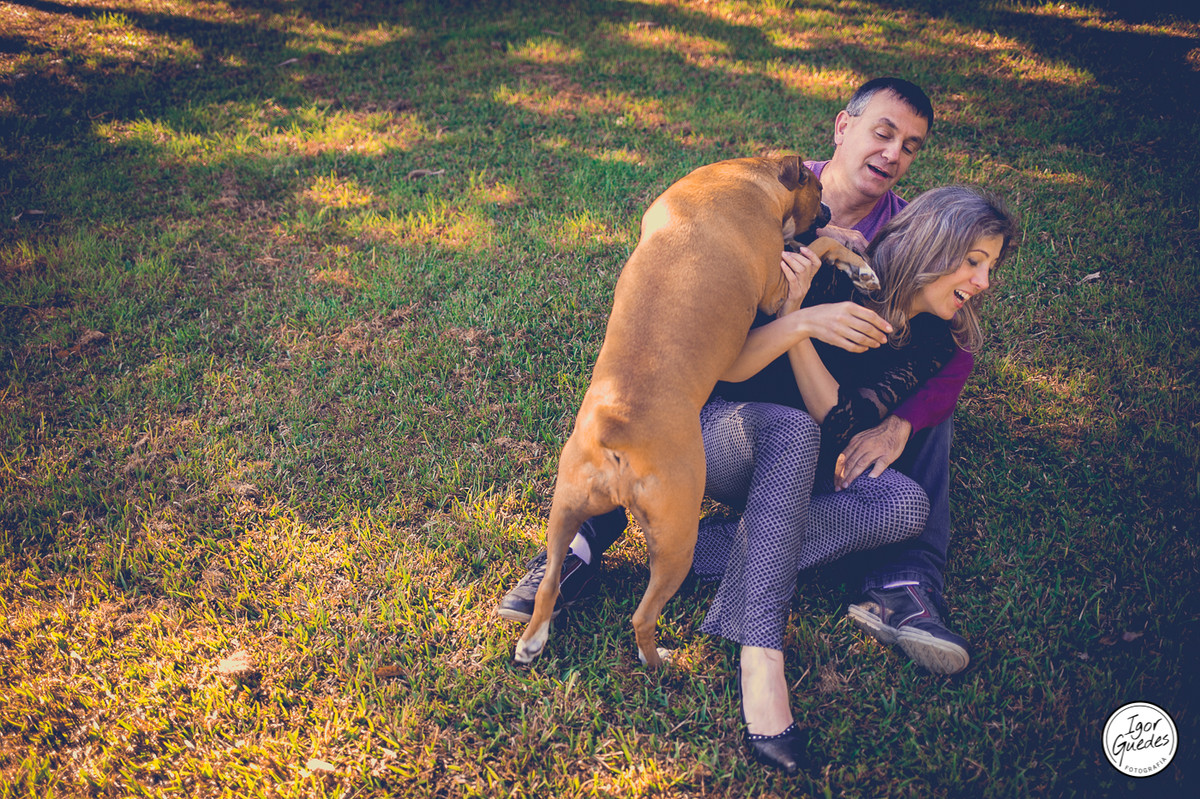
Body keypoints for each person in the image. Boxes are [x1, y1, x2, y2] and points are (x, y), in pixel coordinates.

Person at [499, 77, 974, 676]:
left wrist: (902, 422)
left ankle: (900, 580)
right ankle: (584, 546)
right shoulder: (758, 191)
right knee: (650, 391)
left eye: (910, 146)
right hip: (724, 410)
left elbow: (955, 350)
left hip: (818, 425)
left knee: (915, 455)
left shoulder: (909, 231)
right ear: (843, 126)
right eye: (883, 133)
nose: (893, 153)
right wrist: (803, 307)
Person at [698, 185, 1015, 772]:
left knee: (903, 504)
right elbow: (724, 363)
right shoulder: (838, 271)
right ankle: (760, 656)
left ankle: (695, 552)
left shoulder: (934, 340)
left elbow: (843, 420)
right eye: (974, 261)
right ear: (935, 244)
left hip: (802, 473)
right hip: (721, 435)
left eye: (990, 268)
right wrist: (799, 316)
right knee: (794, 430)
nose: (983, 281)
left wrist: (799, 331)